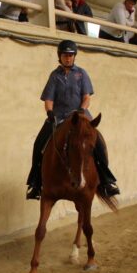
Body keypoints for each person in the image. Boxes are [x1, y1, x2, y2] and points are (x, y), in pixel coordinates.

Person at [26, 39, 120, 200]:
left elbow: (86, 97)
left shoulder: (81, 74)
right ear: (60, 56)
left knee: (98, 143)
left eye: (70, 55)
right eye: (65, 55)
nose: (68, 58)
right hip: (59, 117)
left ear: (74, 57)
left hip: (80, 116)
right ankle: (35, 184)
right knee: (39, 143)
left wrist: (82, 110)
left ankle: (106, 181)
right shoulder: (54, 76)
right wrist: (49, 113)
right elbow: (48, 100)